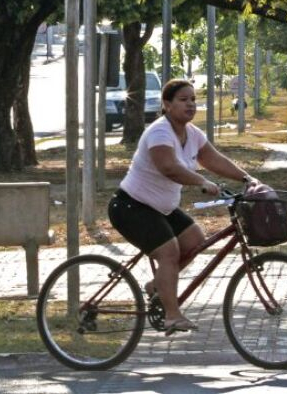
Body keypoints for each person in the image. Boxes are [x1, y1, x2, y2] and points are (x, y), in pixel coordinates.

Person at [108, 79, 259, 335]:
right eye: (183, 99)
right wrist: (201, 181)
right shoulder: (159, 132)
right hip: (130, 207)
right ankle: (172, 316)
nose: (190, 104)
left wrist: (247, 178)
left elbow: (213, 158)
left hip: (161, 208)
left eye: (193, 99)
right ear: (166, 105)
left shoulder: (192, 134)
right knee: (169, 252)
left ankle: (157, 286)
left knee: (195, 241)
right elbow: (168, 167)